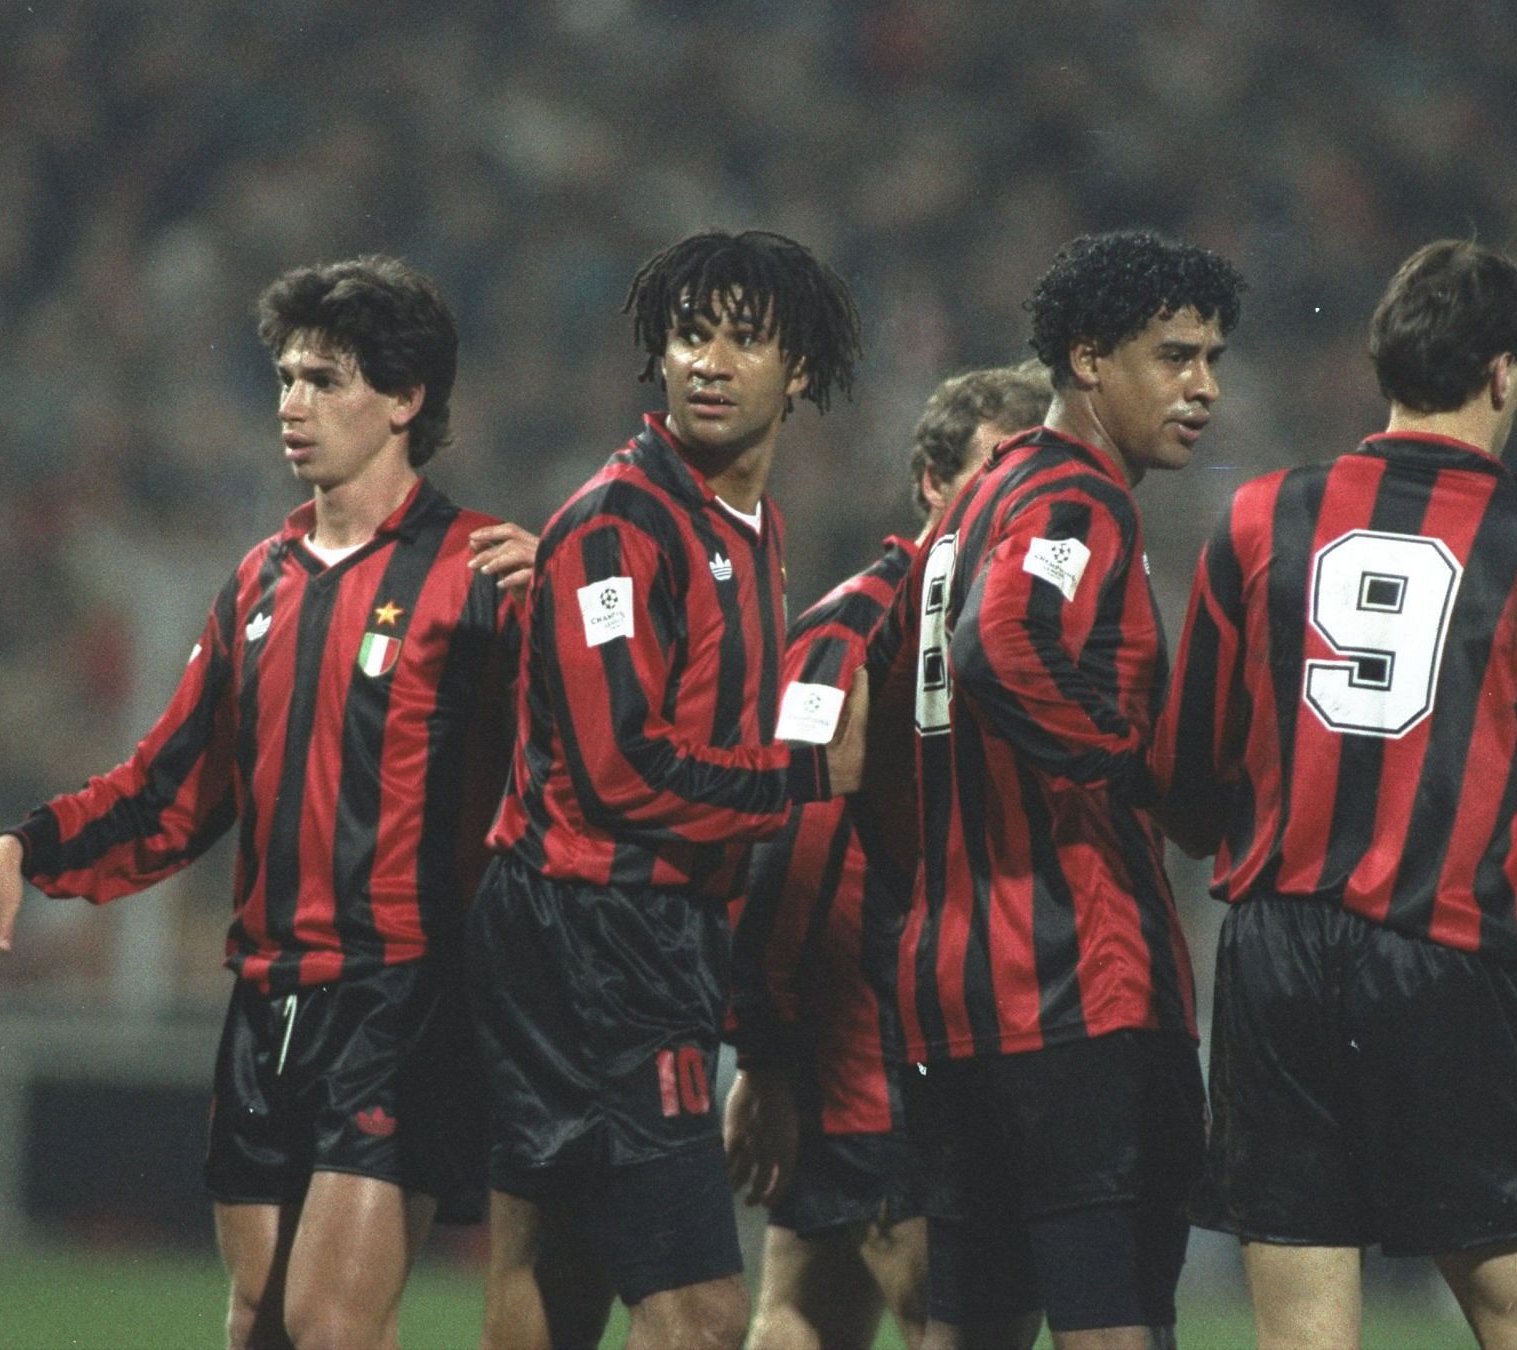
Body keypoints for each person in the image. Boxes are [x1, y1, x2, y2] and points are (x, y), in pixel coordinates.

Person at [0, 256, 521, 1350]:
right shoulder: (260, 581)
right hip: (266, 998)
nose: (293, 405)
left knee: (329, 1326)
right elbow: (171, 791)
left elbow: (583, 763)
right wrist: (26, 845)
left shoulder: (484, 574)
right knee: (261, 1323)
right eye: (288, 377)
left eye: (328, 379)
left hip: (402, 998)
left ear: (406, 401)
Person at [1154, 238, 1517, 1350]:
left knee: (1306, 1336)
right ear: (1505, 372)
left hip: (1273, 954)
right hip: (1446, 946)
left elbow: (1186, 781)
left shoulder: (1260, 516)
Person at [468, 229, 869, 1350]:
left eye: (744, 340)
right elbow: (621, 771)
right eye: (692, 334)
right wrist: (804, 777)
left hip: (628, 929)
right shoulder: (617, 523)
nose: (709, 361)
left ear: (799, 371)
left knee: (563, 1265)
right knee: (698, 1311)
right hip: (594, 929)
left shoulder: (748, 524)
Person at [880, 229, 1245, 1349]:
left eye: (1212, 359)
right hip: (1072, 982)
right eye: (1174, 357)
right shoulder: (1077, 501)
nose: (1204, 389)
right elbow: (1006, 645)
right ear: (1088, 360)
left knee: (973, 1322)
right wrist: (1125, 767)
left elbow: (886, 713)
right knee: (1115, 1320)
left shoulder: (958, 517)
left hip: (953, 989)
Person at [723, 363, 1053, 1350]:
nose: (1010, 497)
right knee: (947, 1317)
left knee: (804, 1309)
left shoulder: (1015, 629)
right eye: (992, 468)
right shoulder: (862, 624)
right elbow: (794, 839)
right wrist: (769, 1055)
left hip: (942, 1040)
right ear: (929, 480)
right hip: (881, 1056)